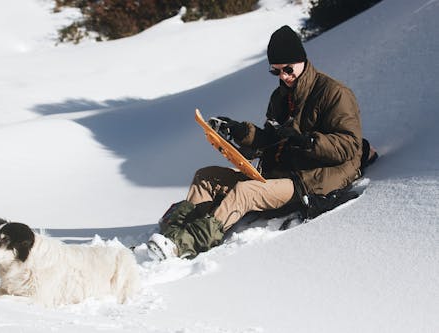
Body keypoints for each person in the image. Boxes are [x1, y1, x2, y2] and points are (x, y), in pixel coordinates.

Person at [147, 25, 367, 260]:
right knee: (205, 176)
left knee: (245, 191)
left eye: (288, 69)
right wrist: (238, 131)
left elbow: (350, 145)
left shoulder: (334, 94)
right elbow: (270, 139)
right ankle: (173, 233)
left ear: (302, 60)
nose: (283, 76)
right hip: (277, 174)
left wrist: (307, 141)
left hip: (312, 179)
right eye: (276, 71)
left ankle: (185, 245)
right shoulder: (281, 97)